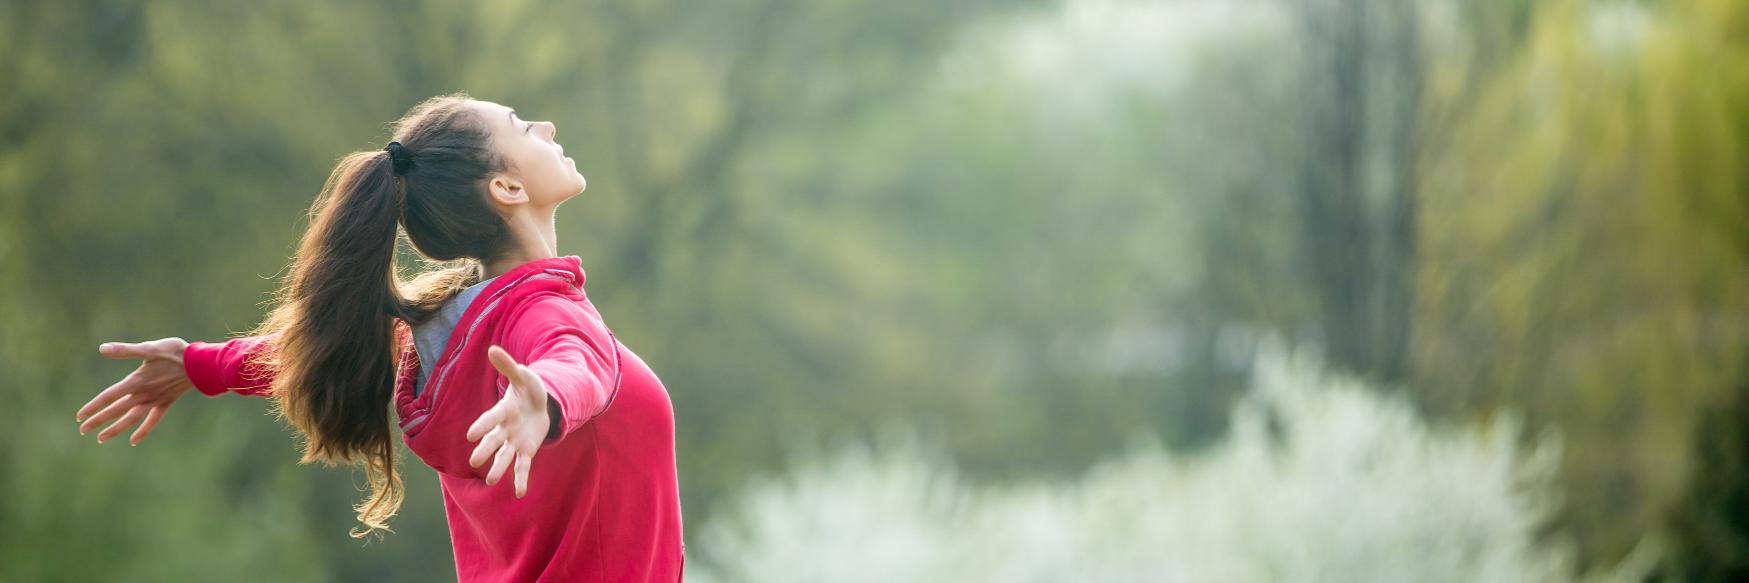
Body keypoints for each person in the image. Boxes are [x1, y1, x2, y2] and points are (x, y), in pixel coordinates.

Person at [72, 93, 685, 582]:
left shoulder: (446, 334)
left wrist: (202, 365)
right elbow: (573, 359)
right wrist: (545, 401)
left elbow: (329, 350)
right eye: (523, 126)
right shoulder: (538, 311)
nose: (547, 125)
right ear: (507, 189)